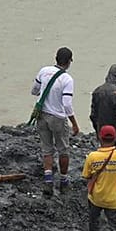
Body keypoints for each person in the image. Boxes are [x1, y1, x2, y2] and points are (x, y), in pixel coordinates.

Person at [31, 47, 79, 196]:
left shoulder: (44, 71)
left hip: (42, 115)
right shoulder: (67, 79)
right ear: (69, 61)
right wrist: (74, 123)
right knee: (63, 150)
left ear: (56, 58)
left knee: (47, 149)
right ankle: (63, 181)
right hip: (58, 117)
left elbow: (34, 90)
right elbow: (67, 104)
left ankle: (48, 181)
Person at [89, 65, 116, 153]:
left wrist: (98, 131)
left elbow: (93, 116)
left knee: (103, 154)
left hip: (102, 132)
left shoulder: (97, 91)